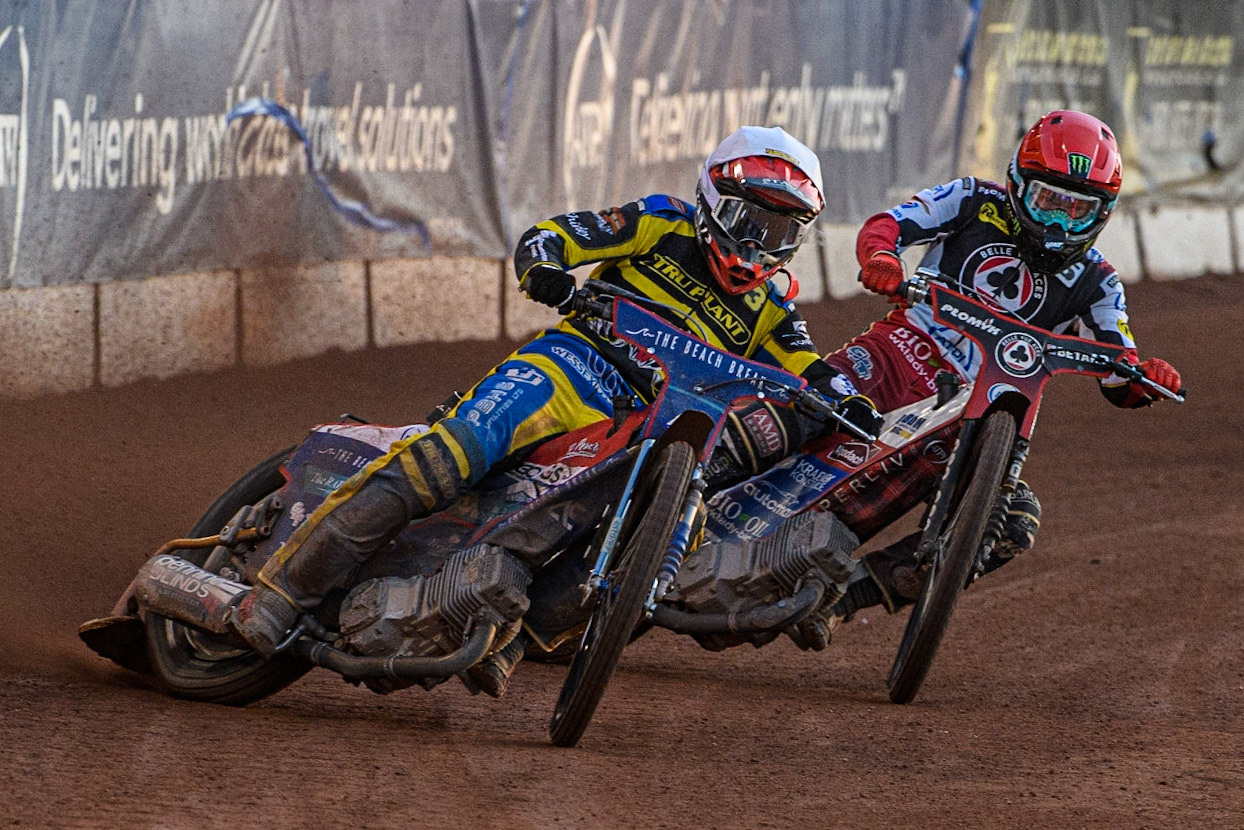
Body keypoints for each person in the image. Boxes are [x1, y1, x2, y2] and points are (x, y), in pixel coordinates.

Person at [233, 125, 881, 694]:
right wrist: (545, 266)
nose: (759, 244)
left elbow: (810, 369)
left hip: (641, 420)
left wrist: (847, 400)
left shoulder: (773, 309)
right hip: (575, 368)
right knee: (462, 448)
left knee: (645, 526)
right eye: (750, 222)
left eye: (781, 231)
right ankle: (281, 591)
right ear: (714, 201)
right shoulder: (663, 221)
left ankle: (505, 636)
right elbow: (557, 236)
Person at [799, 110, 1183, 642]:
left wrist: (1143, 379)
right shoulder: (972, 200)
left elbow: (1119, 368)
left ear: (1104, 215)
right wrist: (882, 257)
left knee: (1009, 523)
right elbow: (887, 224)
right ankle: (684, 498)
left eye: (1078, 210)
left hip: (976, 413)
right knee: (801, 406)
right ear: (1018, 184)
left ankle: (841, 601)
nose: (1057, 224)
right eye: (1049, 201)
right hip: (899, 352)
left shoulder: (1099, 283)